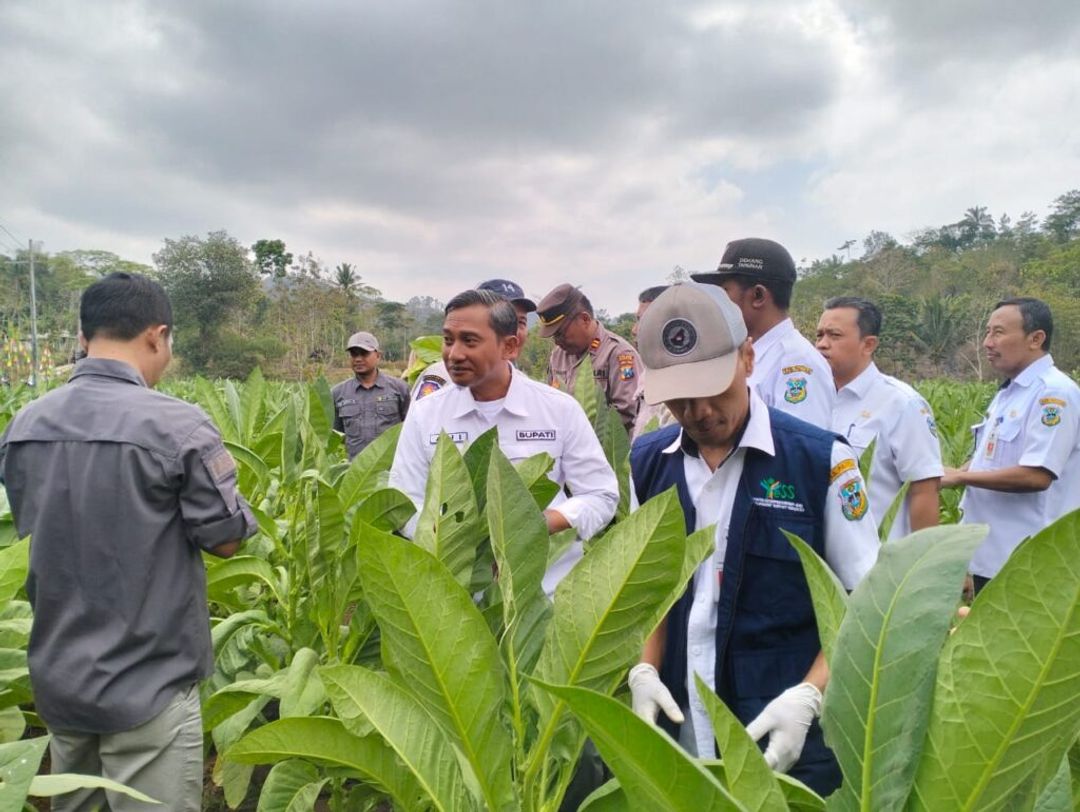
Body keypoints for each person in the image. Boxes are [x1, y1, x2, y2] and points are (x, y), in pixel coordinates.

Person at [0, 272, 256, 812]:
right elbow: (228, 541)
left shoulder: (24, 424)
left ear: (83, 334)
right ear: (157, 335)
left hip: (60, 678)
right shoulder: (179, 427)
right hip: (150, 682)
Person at [627, 282, 879, 796]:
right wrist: (644, 669)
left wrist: (809, 696)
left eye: (712, 388)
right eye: (679, 397)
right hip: (681, 720)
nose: (698, 411)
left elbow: (863, 598)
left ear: (747, 357)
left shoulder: (819, 461)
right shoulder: (649, 463)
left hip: (782, 725)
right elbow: (650, 588)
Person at [390, 289, 619, 596]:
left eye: (469, 341)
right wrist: (453, 538)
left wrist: (541, 522)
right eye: (448, 339)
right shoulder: (426, 414)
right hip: (459, 602)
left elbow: (601, 495)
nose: (454, 354)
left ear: (509, 346)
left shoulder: (558, 410)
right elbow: (405, 500)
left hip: (546, 598)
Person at [941, 297, 1080, 592]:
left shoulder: (1052, 394)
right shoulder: (1009, 393)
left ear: (1036, 338)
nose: (987, 342)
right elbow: (992, 457)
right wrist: (953, 471)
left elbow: (1036, 475)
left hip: (1031, 564)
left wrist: (960, 476)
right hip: (994, 559)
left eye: (998, 333)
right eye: (987, 332)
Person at [816, 296, 943, 538]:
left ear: (868, 344)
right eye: (819, 335)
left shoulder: (901, 404)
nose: (822, 344)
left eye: (834, 335)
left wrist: (919, 566)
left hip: (878, 560)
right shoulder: (813, 399)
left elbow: (924, 490)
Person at [692, 238, 834, 429]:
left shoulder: (796, 363)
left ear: (758, 296)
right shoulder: (745, 355)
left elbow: (798, 449)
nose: (718, 303)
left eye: (724, 292)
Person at [537, 283, 642, 432]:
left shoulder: (618, 354)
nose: (557, 341)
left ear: (585, 319)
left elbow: (626, 414)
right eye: (554, 336)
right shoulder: (557, 355)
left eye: (560, 333)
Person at [410, 279, 536, 401]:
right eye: (503, 321)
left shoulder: (529, 390)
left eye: (520, 322)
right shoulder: (441, 376)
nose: (514, 331)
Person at [332, 331, 410, 459]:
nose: (358, 359)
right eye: (354, 354)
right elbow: (337, 434)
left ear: (378, 356)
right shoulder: (338, 393)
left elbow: (410, 429)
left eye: (364, 353)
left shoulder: (400, 388)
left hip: (391, 468)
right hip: (356, 472)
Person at [630, 285, 677, 440]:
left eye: (642, 321)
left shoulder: (680, 382)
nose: (634, 330)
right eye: (636, 320)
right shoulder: (648, 373)